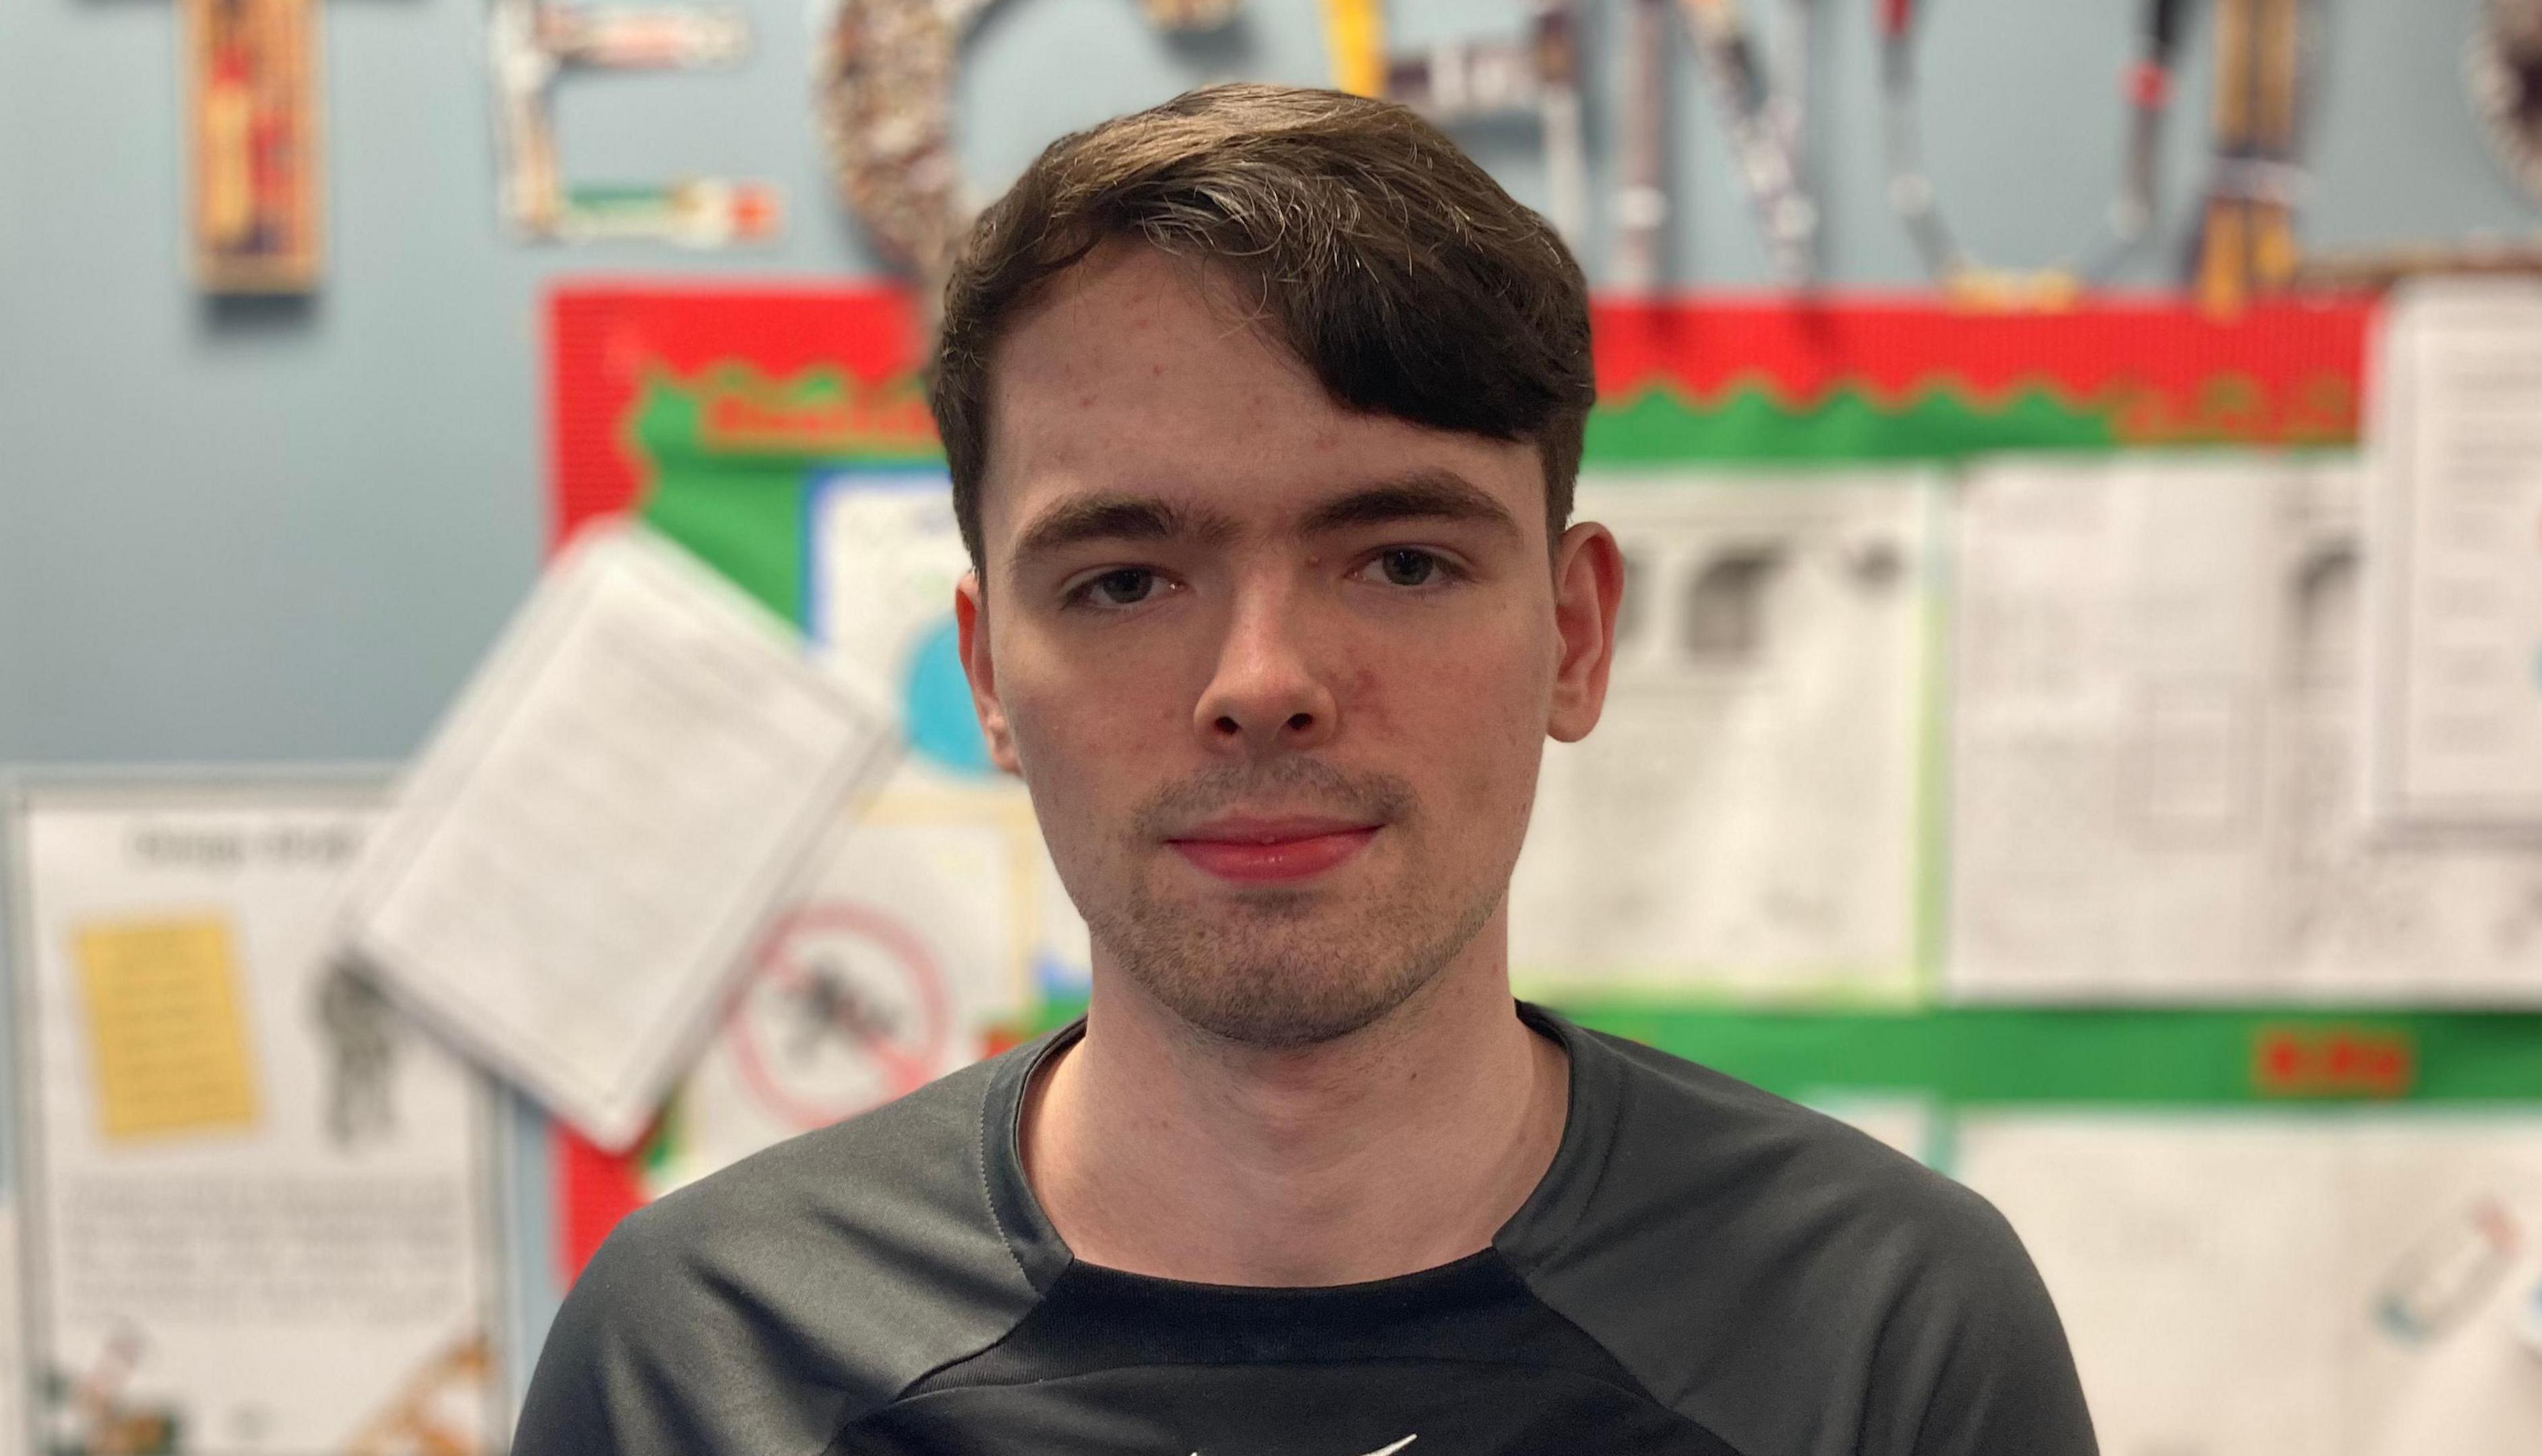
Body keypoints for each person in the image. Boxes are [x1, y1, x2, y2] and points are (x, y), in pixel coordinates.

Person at [514, 82, 2097, 1456]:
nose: (1261, 685)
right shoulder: (706, 1363)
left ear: (1574, 635)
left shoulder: (1884, 1332)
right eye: (1125, 580)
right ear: (990, 672)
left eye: (1399, 562)